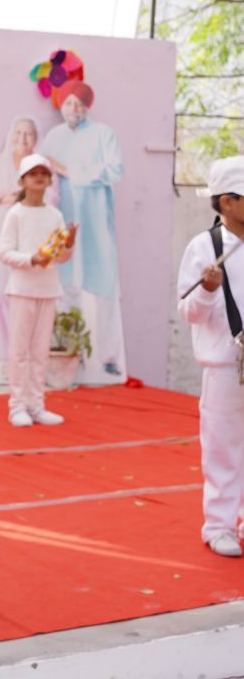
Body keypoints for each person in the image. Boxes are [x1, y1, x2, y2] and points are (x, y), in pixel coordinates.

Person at [177, 155, 244, 558]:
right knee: (221, 446)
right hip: (223, 365)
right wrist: (206, 290)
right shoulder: (204, 247)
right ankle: (219, 525)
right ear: (227, 202)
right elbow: (187, 311)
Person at [40, 80, 125, 382]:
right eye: (68, 104)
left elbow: (116, 170)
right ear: (61, 106)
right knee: (63, 285)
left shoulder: (104, 135)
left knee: (101, 285)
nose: (73, 109)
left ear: (87, 107)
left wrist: (70, 170)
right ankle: (66, 358)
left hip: (95, 222)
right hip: (62, 219)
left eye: (78, 104)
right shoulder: (52, 137)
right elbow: (43, 175)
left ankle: (107, 359)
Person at [0, 154, 76, 426]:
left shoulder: (55, 214)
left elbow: (61, 256)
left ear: (49, 180)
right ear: (23, 180)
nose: (39, 178)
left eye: (44, 173)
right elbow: (5, 252)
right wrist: (31, 259)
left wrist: (69, 244)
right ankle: (16, 406)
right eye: (33, 174)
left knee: (40, 351)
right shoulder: (15, 214)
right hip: (21, 289)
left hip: (48, 289)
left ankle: (36, 405)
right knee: (19, 351)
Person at [0, 117, 40, 382]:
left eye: (28, 134)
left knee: (22, 301)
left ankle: (22, 363)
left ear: (35, 139)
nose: (22, 139)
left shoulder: (38, 168)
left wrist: (9, 197)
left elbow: (40, 197)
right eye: (18, 133)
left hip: (25, 244)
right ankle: (0, 363)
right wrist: (6, 199)